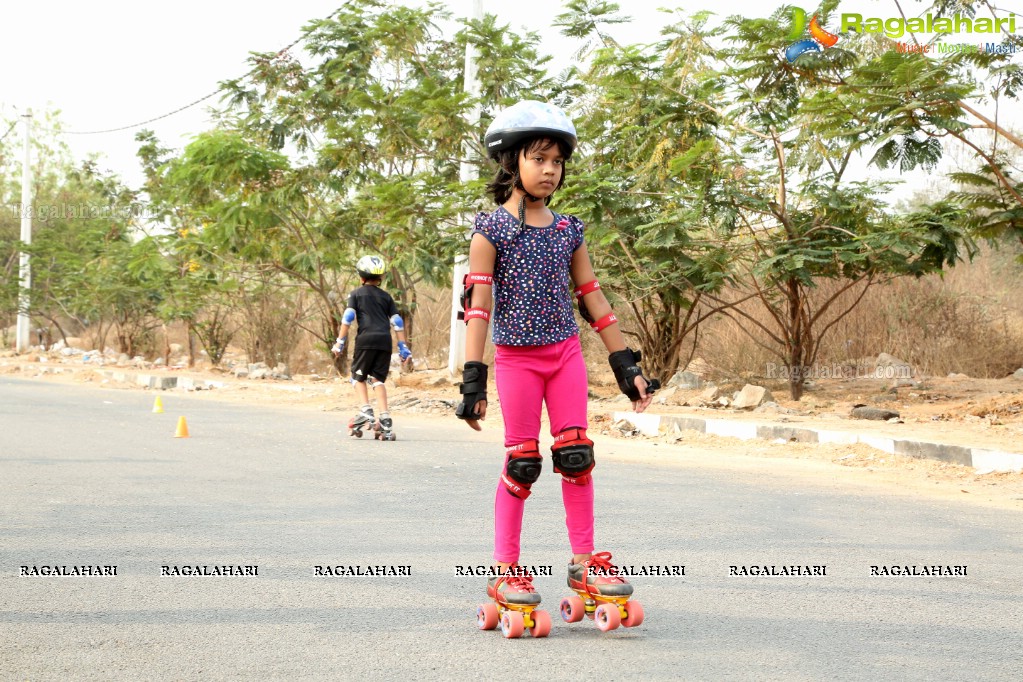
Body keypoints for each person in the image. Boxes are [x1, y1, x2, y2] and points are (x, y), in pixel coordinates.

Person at [455, 100, 659, 618]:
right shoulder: (490, 230)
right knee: (522, 463)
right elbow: (478, 307)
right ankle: (506, 570)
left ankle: (586, 563)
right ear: (511, 164)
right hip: (517, 361)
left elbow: (593, 298)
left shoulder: (569, 229)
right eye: (539, 159)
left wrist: (625, 366)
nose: (549, 170)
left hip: (565, 355)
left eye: (557, 161)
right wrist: (473, 381)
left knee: (576, 457)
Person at [332, 255, 413, 441]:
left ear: (361, 276)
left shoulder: (355, 295)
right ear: (381, 277)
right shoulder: (386, 297)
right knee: (378, 380)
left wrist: (339, 342)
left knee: (357, 377)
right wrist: (403, 348)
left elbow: (348, 318)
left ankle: (366, 410)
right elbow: (397, 322)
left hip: (366, 340)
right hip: (384, 341)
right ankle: (385, 418)